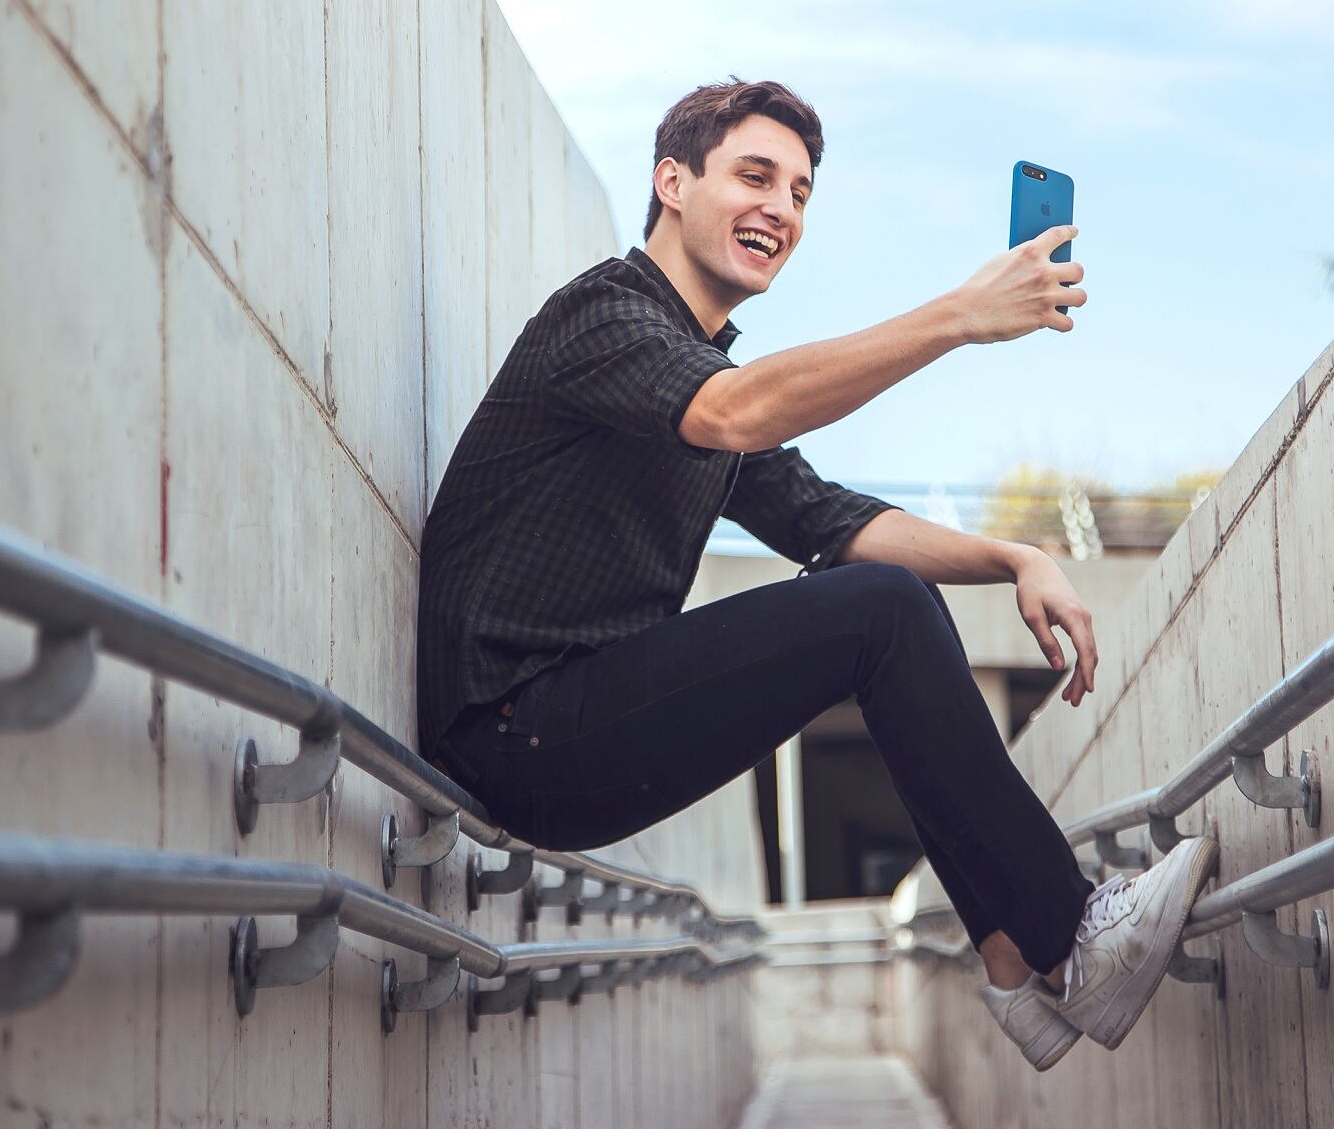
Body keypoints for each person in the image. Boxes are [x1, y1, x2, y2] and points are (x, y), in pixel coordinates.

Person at [416, 78, 1217, 1069]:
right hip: (513, 728)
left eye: (798, 192)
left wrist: (1016, 556)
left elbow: (834, 521)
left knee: (894, 601)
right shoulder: (604, 316)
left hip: (574, 726)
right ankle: (1072, 938)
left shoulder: (699, 376)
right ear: (672, 182)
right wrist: (958, 316)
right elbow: (738, 413)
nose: (781, 209)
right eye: (755, 176)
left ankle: (1013, 958)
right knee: (881, 612)